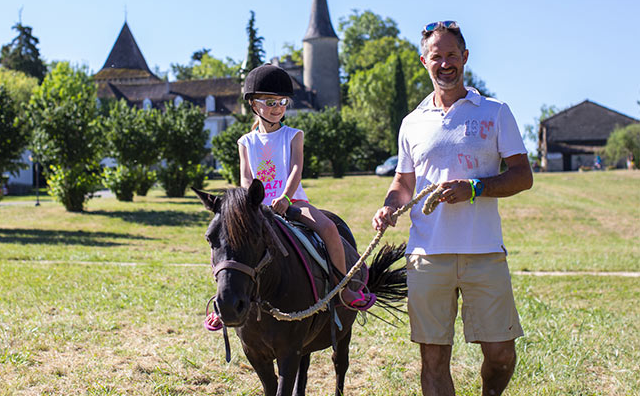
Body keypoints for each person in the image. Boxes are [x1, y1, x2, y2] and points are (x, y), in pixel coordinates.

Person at [371, 21, 533, 396]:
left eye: (451, 55)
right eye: (436, 56)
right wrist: (389, 206)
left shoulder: (494, 111)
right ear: (424, 61)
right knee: (432, 359)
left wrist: (474, 188)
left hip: (484, 253)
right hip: (427, 255)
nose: (444, 63)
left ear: (465, 58)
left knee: (500, 354)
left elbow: (523, 175)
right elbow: (403, 183)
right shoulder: (412, 122)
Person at [204, 64, 376, 331]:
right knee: (228, 241)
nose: (278, 107)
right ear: (253, 104)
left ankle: (344, 288)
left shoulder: (293, 135)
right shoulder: (245, 142)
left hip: (293, 202)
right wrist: (252, 205)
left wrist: (285, 197)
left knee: (329, 228)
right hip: (258, 208)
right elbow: (246, 178)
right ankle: (221, 300)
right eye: (270, 102)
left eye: (282, 102)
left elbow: (296, 168)